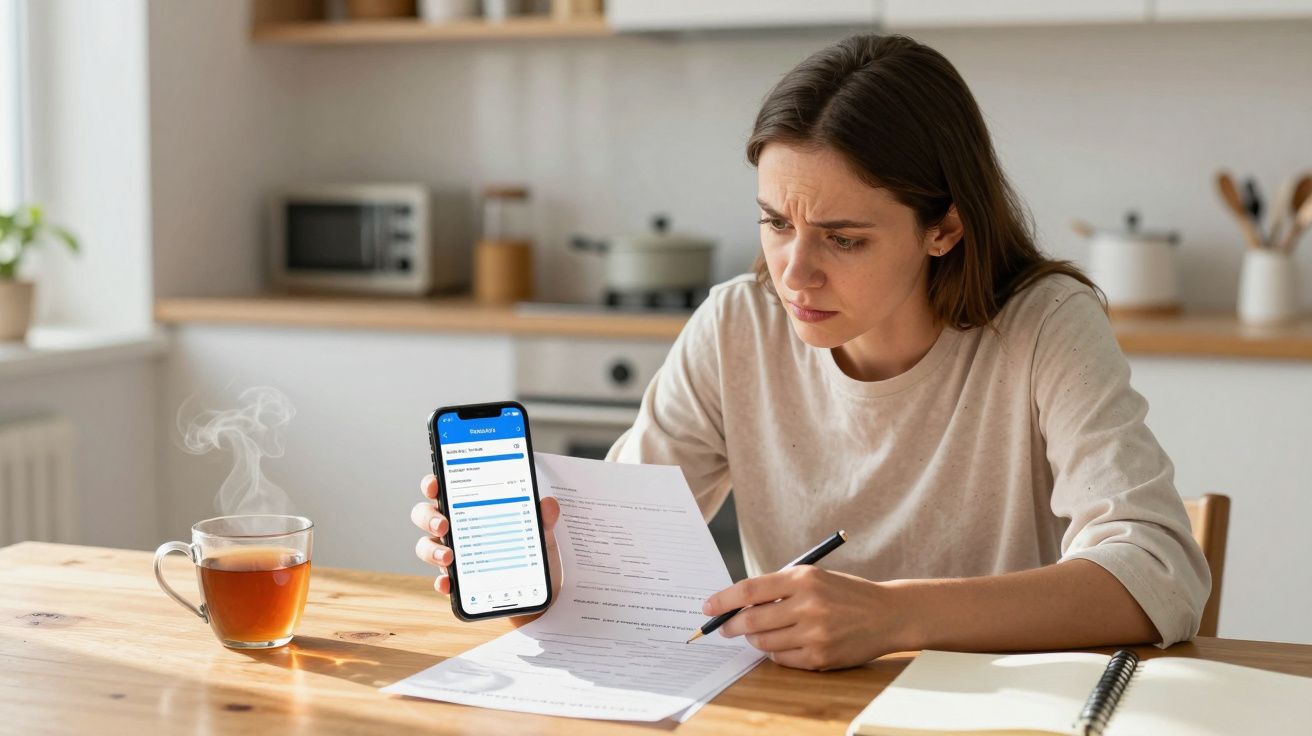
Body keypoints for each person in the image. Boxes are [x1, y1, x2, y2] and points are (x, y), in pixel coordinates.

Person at [412, 34, 1210, 672]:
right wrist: (543, 577)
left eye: (844, 238)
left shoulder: (1044, 326)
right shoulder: (736, 325)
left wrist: (894, 615)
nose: (794, 272)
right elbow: (619, 559)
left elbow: (1160, 573)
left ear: (945, 228)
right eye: (775, 222)